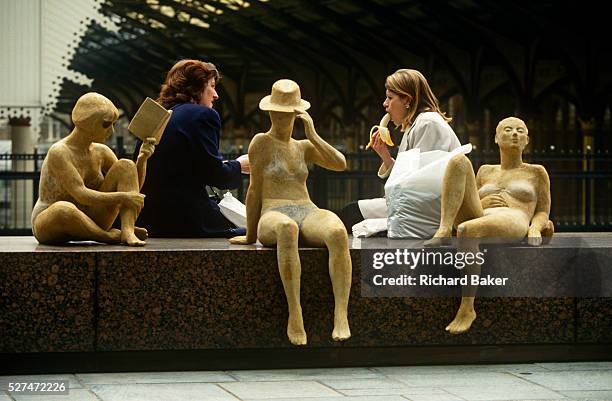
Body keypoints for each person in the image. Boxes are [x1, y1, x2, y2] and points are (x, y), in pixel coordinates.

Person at [229, 79, 352, 346]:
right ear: (271, 112)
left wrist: (313, 135)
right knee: (288, 229)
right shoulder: (261, 142)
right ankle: (295, 313)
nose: (284, 118)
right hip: (273, 212)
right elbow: (254, 190)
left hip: (306, 208)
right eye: (279, 113)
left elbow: (340, 164)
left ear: (298, 115)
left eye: (289, 114)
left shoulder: (303, 146)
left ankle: (341, 313)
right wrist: (250, 235)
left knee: (338, 231)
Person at [426, 117, 554, 334]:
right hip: (483, 214)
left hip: (513, 216)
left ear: (527, 140)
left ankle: (467, 308)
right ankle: (444, 228)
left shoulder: (536, 172)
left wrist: (534, 228)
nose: (515, 134)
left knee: (467, 230)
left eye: (520, 131)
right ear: (496, 138)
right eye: (508, 129)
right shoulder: (485, 170)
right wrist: (483, 202)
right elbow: (469, 198)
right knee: (458, 161)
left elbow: (543, 210)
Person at [134, 59, 249, 237]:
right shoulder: (203, 115)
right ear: (195, 87)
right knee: (257, 231)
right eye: (211, 86)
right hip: (187, 220)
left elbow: (177, 169)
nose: (216, 95)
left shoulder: (158, 115)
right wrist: (239, 165)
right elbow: (215, 175)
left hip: (147, 221)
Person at [338, 69, 461, 233]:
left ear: (407, 100)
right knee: (349, 213)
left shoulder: (428, 123)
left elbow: (422, 184)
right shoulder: (416, 125)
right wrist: (385, 156)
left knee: (351, 214)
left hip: (428, 212)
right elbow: (409, 178)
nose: (385, 104)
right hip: (415, 206)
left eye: (390, 98)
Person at [32, 92, 155, 246]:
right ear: (88, 123)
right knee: (63, 209)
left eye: (112, 124)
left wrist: (142, 159)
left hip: (92, 219)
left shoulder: (101, 151)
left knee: (126, 165)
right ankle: (107, 237)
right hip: (51, 224)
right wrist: (123, 197)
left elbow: (132, 187)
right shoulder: (60, 152)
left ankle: (127, 231)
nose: (111, 131)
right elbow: (81, 194)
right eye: (105, 124)